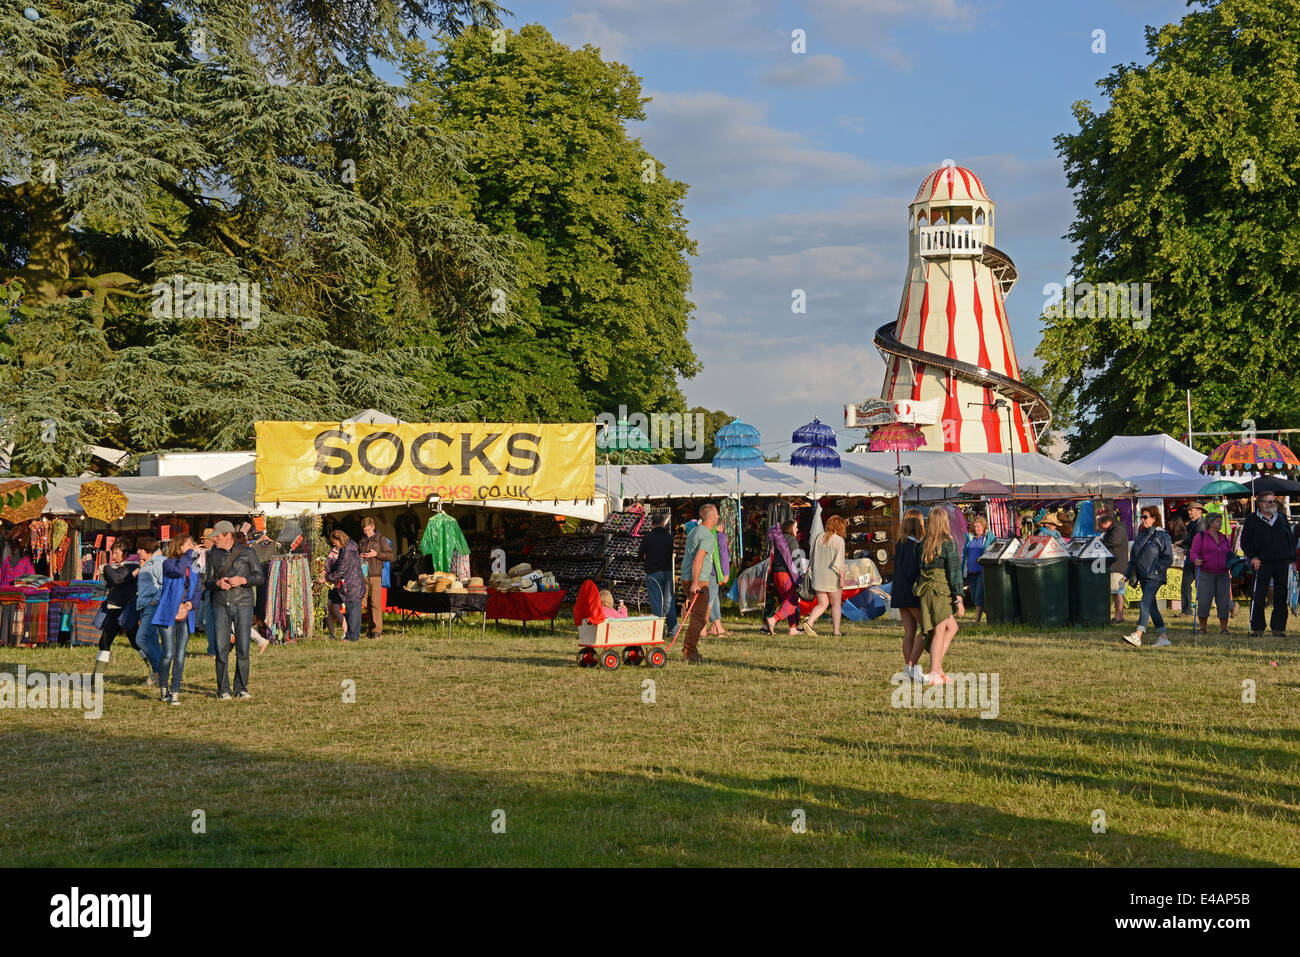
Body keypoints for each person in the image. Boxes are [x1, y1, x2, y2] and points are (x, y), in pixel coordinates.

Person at [207, 520, 266, 699]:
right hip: (220, 604)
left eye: (217, 536)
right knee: (221, 648)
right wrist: (217, 583)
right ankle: (223, 689)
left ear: (227, 535)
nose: (214, 539)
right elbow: (206, 581)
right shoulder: (212, 554)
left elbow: (260, 577)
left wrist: (243, 580)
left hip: (243, 604)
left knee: (243, 648)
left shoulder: (248, 552)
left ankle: (241, 688)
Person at [915, 507, 963, 685]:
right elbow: (954, 572)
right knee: (940, 631)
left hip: (926, 590)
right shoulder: (948, 544)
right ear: (944, 522)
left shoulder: (924, 544)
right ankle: (934, 671)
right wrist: (959, 598)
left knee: (951, 628)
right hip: (941, 590)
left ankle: (939, 668)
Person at [153, 535, 201, 705]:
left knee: (180, 655)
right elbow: (179, 571)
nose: (192, 546)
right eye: (188, 544)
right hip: (168, 612)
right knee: (168, 654)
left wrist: (192, 604)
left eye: (192, 544)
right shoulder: (168, 563)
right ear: (179, 547)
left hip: (186, 613)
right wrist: (189, 555)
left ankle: (175, 692)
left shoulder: (194, 565)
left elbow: (197, 588)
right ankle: (163, 688)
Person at [1242, 492, 1295, 637]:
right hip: (1262, 562)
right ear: (1261, 504)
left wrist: (1292, 560)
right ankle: (1257, 628)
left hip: (1281, 562)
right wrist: (1252, 557)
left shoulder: (1281, 518)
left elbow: (1289, 539)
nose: (1273, 504)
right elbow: (1245, 542)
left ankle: (1278, 628)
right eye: (1270, 502)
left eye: (1274, 502)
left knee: (1281, 596)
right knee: (1258, 595)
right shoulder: (1252, 519)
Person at [1123, 507, 1174, 648]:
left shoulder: (1162, 536)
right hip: (1143, 575)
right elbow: (1134, 557)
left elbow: (1168, 558)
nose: (1143, 519)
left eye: (1145, 517)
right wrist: (1127, 574)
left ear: (1154, 518)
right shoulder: (1141, 535)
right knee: (1151, 607)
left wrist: (1157, 571)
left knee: (1144, 603)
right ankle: (1163, 637)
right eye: (1142, 516)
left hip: (1154, 577)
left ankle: (1138, 635)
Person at [93, 543, 141, 677]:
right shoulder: (122, 567)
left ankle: (155, 670)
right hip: (114, 610)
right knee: (104, 642)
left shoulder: (131, 566)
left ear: (125, 553)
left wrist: (106, 567)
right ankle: (97, 676)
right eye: (112, 553)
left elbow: (117, 578)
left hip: (126, 611)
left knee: (136, 643)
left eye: (116, 553)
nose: (113, 556)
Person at [680, 503, 719, 664]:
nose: (718, 517)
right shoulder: (708, 536)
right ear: (710, 517)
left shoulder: (694, 531)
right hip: (699, 579)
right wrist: (696, 583)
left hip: (686, 576)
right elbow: (698, 559)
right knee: (699, 617)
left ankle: (690, 649)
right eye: (716, 514)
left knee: (701, 615)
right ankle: (689, 651)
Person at [802, 515, 847, 636]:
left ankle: (810, 621)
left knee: (822, 604)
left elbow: (812, 557)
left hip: (818, 576)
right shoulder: (839, 541)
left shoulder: (818, 538)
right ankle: (836, 631)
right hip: (832, 576)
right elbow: (839, 562)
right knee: (835, 604)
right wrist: (842, 578)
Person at [894, 509, 925, 681]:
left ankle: (909, 669)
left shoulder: (900, 543)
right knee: (928, 629)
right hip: (911, 593)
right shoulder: (915, 546)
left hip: (899, 592)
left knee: (909, 631)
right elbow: (911, 570)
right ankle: (911, 665)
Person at [1190, 512, 1232, 636]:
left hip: (1223, 573)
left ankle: (1224, 628)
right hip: (1205, 573)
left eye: (1221, 521)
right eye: (1218, 521)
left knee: (1223, 601)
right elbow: (1193, 552)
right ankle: (1203, 627)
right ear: (1210, 523)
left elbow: (1229, 551)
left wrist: (1232, 561)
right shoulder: (1200, 536)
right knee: (1204, 600)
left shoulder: (1223, 537)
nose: (1221, 523)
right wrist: (1196, 560)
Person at [637, 512, 677, 636]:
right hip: (668, 572)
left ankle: (660, 632)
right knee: (669, 603)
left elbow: (640, 555)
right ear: (663, 523)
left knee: (656, 603)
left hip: (653, 573)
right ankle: (673, 630)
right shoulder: (670, 537)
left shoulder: (648, 537)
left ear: (652, 523)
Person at [324, 530, 365, 643]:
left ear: (339, 539)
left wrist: (328, 577)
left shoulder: (347, 550)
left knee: (352, 612)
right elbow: (338, 564)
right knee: (354, 611)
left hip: (353, 584)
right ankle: (353, 636)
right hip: (355, 583)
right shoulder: (349, 546)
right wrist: (328, 570)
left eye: (334, 542)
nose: (334, 544)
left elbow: (342, 568)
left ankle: (351, 637)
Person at [134, 536, 164, 687]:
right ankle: (158, 673)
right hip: (145, 605)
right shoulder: (150, 562)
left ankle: (159, 670)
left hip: (150, 605)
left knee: (141, 639)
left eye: (140, 549)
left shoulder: (159, 562)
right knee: (152, 641)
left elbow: (164, 584)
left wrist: (154, 601)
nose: (138, 552)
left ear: (147, 549)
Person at [763, 521, 802, 637]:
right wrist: (800, 576)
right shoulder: (792, 540)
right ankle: (773, 619)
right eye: (796, 527)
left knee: (787, 600)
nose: (797, 529)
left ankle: (793, 628)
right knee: (792, 601)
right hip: (786, 574)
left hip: (777, 574)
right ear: (790, 528)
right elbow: (796, 559)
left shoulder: (779, 539)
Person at [359, 516, 394, 639]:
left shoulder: (381, 539)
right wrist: (361, 556)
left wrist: (376, 554)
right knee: (367, 604)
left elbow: (390, 556)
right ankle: (370, 630)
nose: (367, 533)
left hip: (375, 575)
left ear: (373, 526)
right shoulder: (362, 541)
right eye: (365, 531)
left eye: (368, 530)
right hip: (364, 576)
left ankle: (377, 631)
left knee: (375, 603)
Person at [1097, 510, 1130, 624]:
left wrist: (1101, 541)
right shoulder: (1116, 529)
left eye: (1102, 526)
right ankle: (1119, 617)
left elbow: (1112, 542)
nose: (1102, 529)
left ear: (1108, 522)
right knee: (1118, 592)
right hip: (1118, 565)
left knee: (1117, 592)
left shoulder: (1117, 530)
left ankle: (1118, 617)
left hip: (1117, 566)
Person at [962, 515, 994, 624]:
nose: (976, 529)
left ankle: (977, 621)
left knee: (979, 596)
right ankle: (993, 617)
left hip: (982, 571)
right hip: (971, 572)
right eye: (974, 527)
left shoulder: (988, 538)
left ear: (984, 527)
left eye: (978, 527)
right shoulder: (970, 538)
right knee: (975, 597)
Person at [1179, 502, 1205, 617]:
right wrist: (1186, 547)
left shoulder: (1202, 524)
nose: (1189, 512)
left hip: (1200, 558)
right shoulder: (1192, 524)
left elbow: (1195, 540)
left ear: (1199, 511)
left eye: (1191, 510)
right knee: (1185, 584)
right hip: (1191, 557)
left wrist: (1182, 543)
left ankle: (1230, 606)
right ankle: (1186, 611)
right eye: (1188, 510)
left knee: (1203, 587)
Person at [323, 539, 347, 640]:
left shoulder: (345, 552)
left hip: (338, 584)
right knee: (328, 609)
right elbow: (327, 566)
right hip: (329, 584)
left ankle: (346, 632)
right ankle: (332, 634)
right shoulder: (332, 551)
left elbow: (341, 570)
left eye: (335, 541)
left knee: (335, 609)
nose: (333, 543)